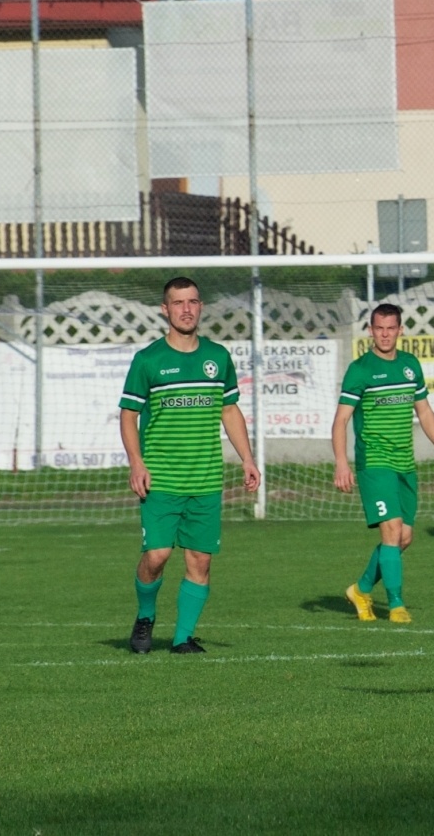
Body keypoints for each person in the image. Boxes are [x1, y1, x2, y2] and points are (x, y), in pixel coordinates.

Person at [120, 276, 260, 655]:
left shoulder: (217, 357)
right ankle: (146, 615)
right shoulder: (148, 360)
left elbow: (229, 410)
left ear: (201, 307)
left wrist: (247, 458)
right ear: (165, 310)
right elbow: (128, 414)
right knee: (157, 556)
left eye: (193, 302)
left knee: (200, 559)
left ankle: (183, 638)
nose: (186, 309)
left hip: (206, 479)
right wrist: (137, 463)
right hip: (161, 478)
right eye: (178, 303)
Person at [336, 303, 434, 624]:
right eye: (379, 328)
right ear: (371, 331)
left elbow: (425, 411)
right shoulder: (360, 369)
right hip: (374, 462)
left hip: (405, 463)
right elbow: (340, 421)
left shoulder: (409, 365)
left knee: (403, 537)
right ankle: (396, 605)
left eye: (391, 328)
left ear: (400, 330)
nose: (385, 334)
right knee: (391, 532)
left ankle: (360, 590)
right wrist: (341, 462)